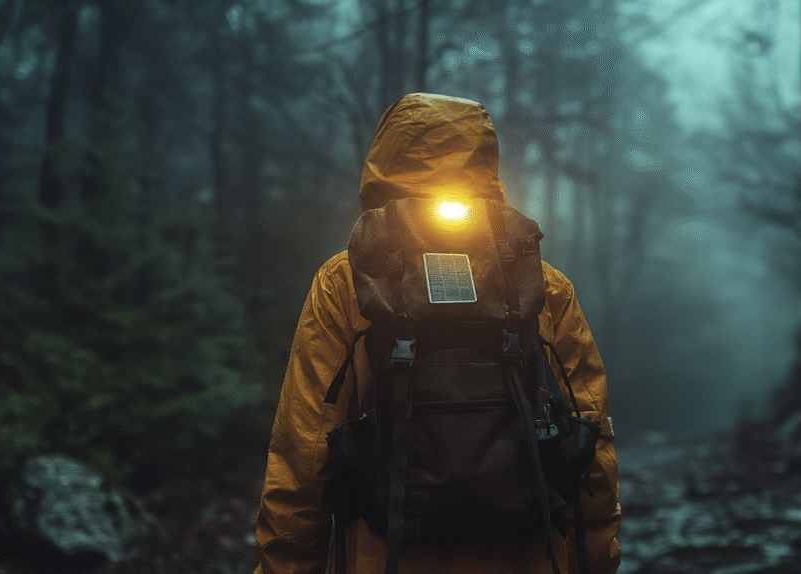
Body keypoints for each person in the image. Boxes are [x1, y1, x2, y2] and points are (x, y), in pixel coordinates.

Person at [254, 93, 621, 574]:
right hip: (527, 556)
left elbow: (303, 452)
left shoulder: (347, 281)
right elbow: (589, 438)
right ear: (486, 164)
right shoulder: (541, 285)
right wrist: (593, 561)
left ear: (387, 161)